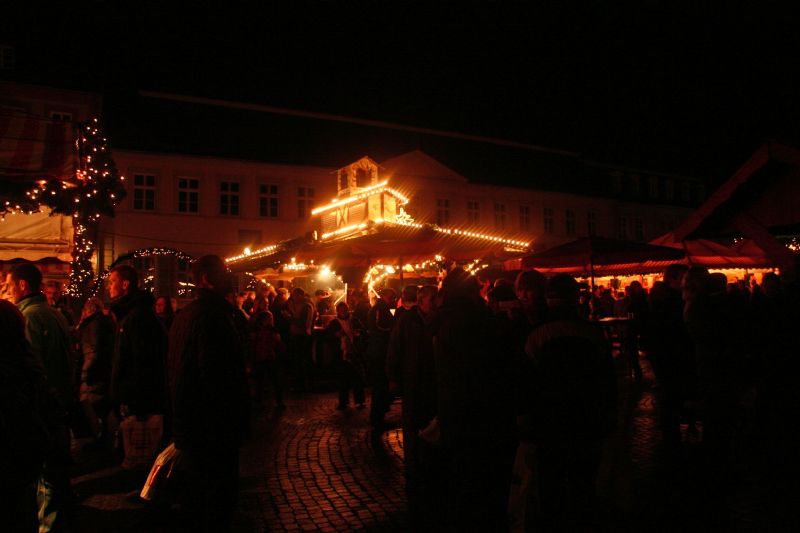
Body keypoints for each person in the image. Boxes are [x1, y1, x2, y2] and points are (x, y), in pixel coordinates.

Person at [522, 274, 617, 530]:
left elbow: (527, 383)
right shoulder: (593, 334)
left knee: (550, 480)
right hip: (586, 419)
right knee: (583, 481)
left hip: (549, 420)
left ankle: (552, 521)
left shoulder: (537, 335)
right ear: (576, 299)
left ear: (550, 300)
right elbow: (607, 380)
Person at [168, 255, 250, 531]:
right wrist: (235, 420)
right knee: (216, 502)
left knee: (196, 500)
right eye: (223, 271)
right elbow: (218, 377)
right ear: (205, 278)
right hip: (212, 429)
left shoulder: (185, 316)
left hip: (190, 425)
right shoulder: (214, 317)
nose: (228, 275)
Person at [433, 268, 516, 531]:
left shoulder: (442, 318)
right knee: (482, 476)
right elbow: (492, 361)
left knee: (459, 472)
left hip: (453, 403)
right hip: (482, 406)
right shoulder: (477, 317)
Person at [6, 263, 74, 532]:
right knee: (54, 475)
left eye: (10, 286)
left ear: (23, 285)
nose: (8, 292)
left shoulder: (29, 318)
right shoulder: (54, 314)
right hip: (57, 404)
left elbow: (29, 367)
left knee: (44, 478)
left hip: (42, 410)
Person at [386, 284, 438, 524]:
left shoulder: (437, 320)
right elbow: (395, 347)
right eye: (431, 300)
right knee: (412, 421)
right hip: (412, 380)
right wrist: (393, 377)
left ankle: (428, 461)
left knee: (430, 422)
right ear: (421, 301)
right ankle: (414, 463)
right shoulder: (407, 321)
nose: (434, 304)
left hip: (432, 381)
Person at [108, 265, 168, 430]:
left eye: (112, 282)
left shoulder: (137, 316)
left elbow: (142, 361)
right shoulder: (128, 314)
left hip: (136, 403)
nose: (109, 286)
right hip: (131, 399)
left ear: (125, 284)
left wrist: (133, 400)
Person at [77, 297, 115, 448]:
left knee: (93, 406)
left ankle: (99, 438)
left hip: (95, 372)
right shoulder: (107, 322)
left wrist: (85, 373)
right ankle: (104, 435)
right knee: (102, 408)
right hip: (105, 370)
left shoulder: (93, 325)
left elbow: (93, 350)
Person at [367, 287, 396, 439]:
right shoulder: (380, 309)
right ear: (386, 296)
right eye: (392, 296)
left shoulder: (379, 308)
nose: (393, 299)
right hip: (379, 351)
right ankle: (377, 418)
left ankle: (378, 416)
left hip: (377, 350)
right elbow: (381, 327)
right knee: (380, 385)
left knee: (380, 386)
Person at [326, 301, 366, 409]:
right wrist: (336, 335)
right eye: (341, 310)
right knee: (343, 380)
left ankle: (360, 401)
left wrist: (358, 334)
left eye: (345, 309)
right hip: (341, 354)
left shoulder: (354, 320)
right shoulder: (334, 323)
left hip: (354, 352)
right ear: (338, 311)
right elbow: (328, 337)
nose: (343, 312)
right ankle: (344, 402)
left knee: (357, 378)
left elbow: (362, 332)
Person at [287, 287, 315, 391]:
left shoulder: (307, 306)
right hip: (299, 335)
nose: (292, 297)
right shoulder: (300, 305)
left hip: (303, 336)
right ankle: (304, 382)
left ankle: (303, 383)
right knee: (302, 359)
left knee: (303, 359)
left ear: (299, 295)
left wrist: (289, 318)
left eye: (293, 295)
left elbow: (302, 323)